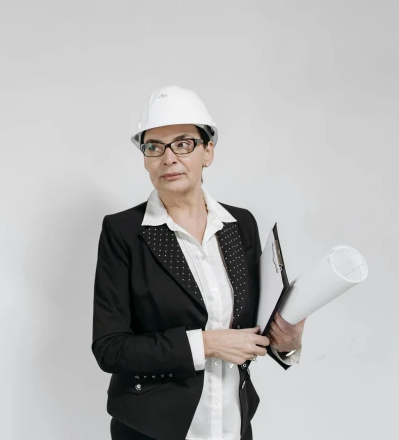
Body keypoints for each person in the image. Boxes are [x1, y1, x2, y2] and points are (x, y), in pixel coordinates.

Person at [91, 86, 306, 440]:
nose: (168, 158)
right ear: (145, 158)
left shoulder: (241, 226)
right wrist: (206, 344)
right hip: (153, 430)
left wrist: (287, 340)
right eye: (154, 146)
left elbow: (252, 329)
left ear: (208, 152)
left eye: (184, 143)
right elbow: (110, 347)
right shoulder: (124, 232)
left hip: (232, 424)